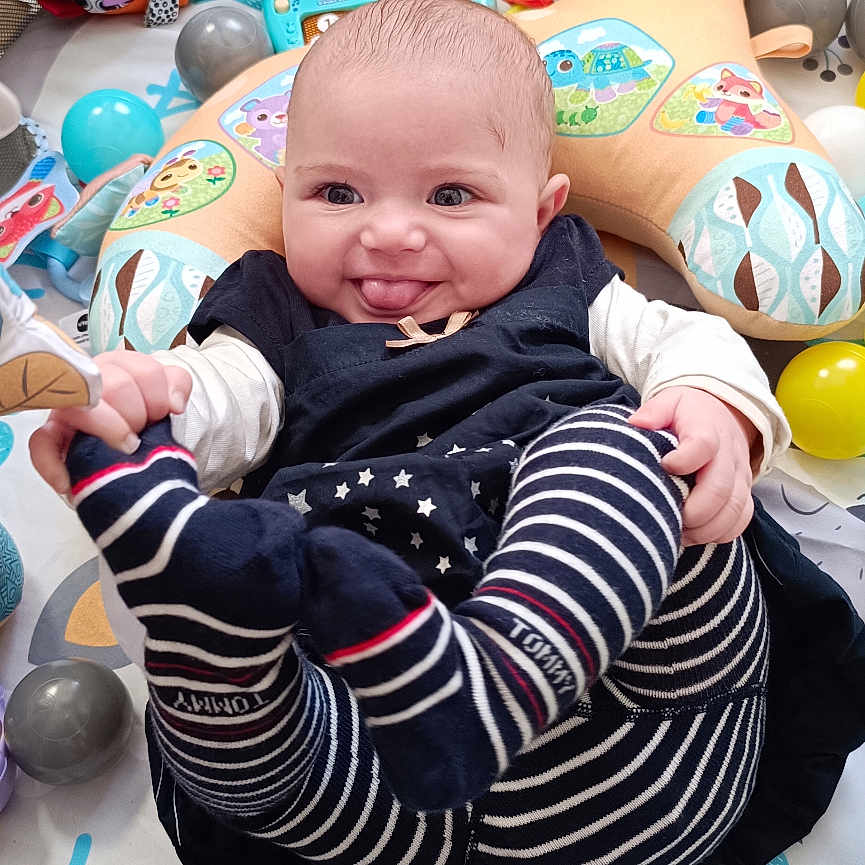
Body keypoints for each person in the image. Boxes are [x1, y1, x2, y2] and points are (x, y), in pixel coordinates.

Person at [29, 1, 864, 863]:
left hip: (631, 704)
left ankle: (499, 678)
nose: (388, 232)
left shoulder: (564, 278)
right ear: (284, 195)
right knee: (247, 569)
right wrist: (148, 403)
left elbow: (682, 338)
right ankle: (234, 683)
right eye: (337, 193)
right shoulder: (274, 313)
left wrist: (714, 406)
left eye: (451, 194)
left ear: (541, 212)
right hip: (377, 742)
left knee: (625, 447)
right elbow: (224, 398)